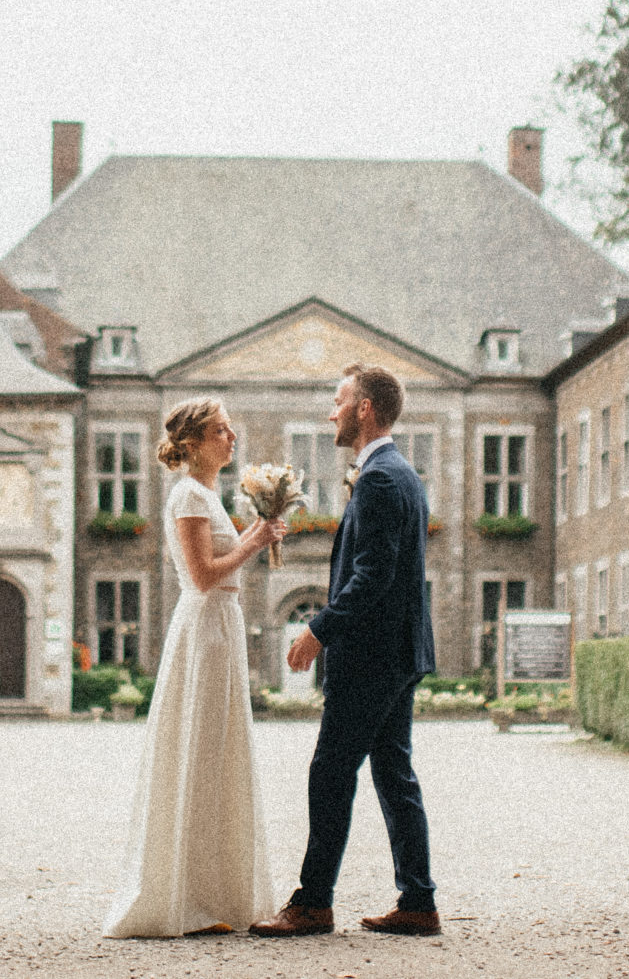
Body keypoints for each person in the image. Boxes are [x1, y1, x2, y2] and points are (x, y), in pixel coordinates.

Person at [251, 362, 440, 938]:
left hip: (372, 657)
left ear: (364, 408)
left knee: (330, 772)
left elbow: (373, 574)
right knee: (394, 774)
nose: (331, 412)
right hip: (399, 652)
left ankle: (313, 903)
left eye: (339, 401)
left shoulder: (380, 478)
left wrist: (319, 629)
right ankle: (418, 902)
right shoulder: (400, 473)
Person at [102, 397, 287, 938]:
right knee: (201, 751)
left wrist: (257, 533)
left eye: (230, 429)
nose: (232, 438)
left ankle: (215, 893)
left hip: (221, 624)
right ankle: (186, 899)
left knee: (220, 753)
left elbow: (219, 569)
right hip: (205, 628)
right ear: (195, 443)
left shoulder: (207, 495)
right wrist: (255, 540)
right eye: (221, 431)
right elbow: (203, 575)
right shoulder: (187, 494)